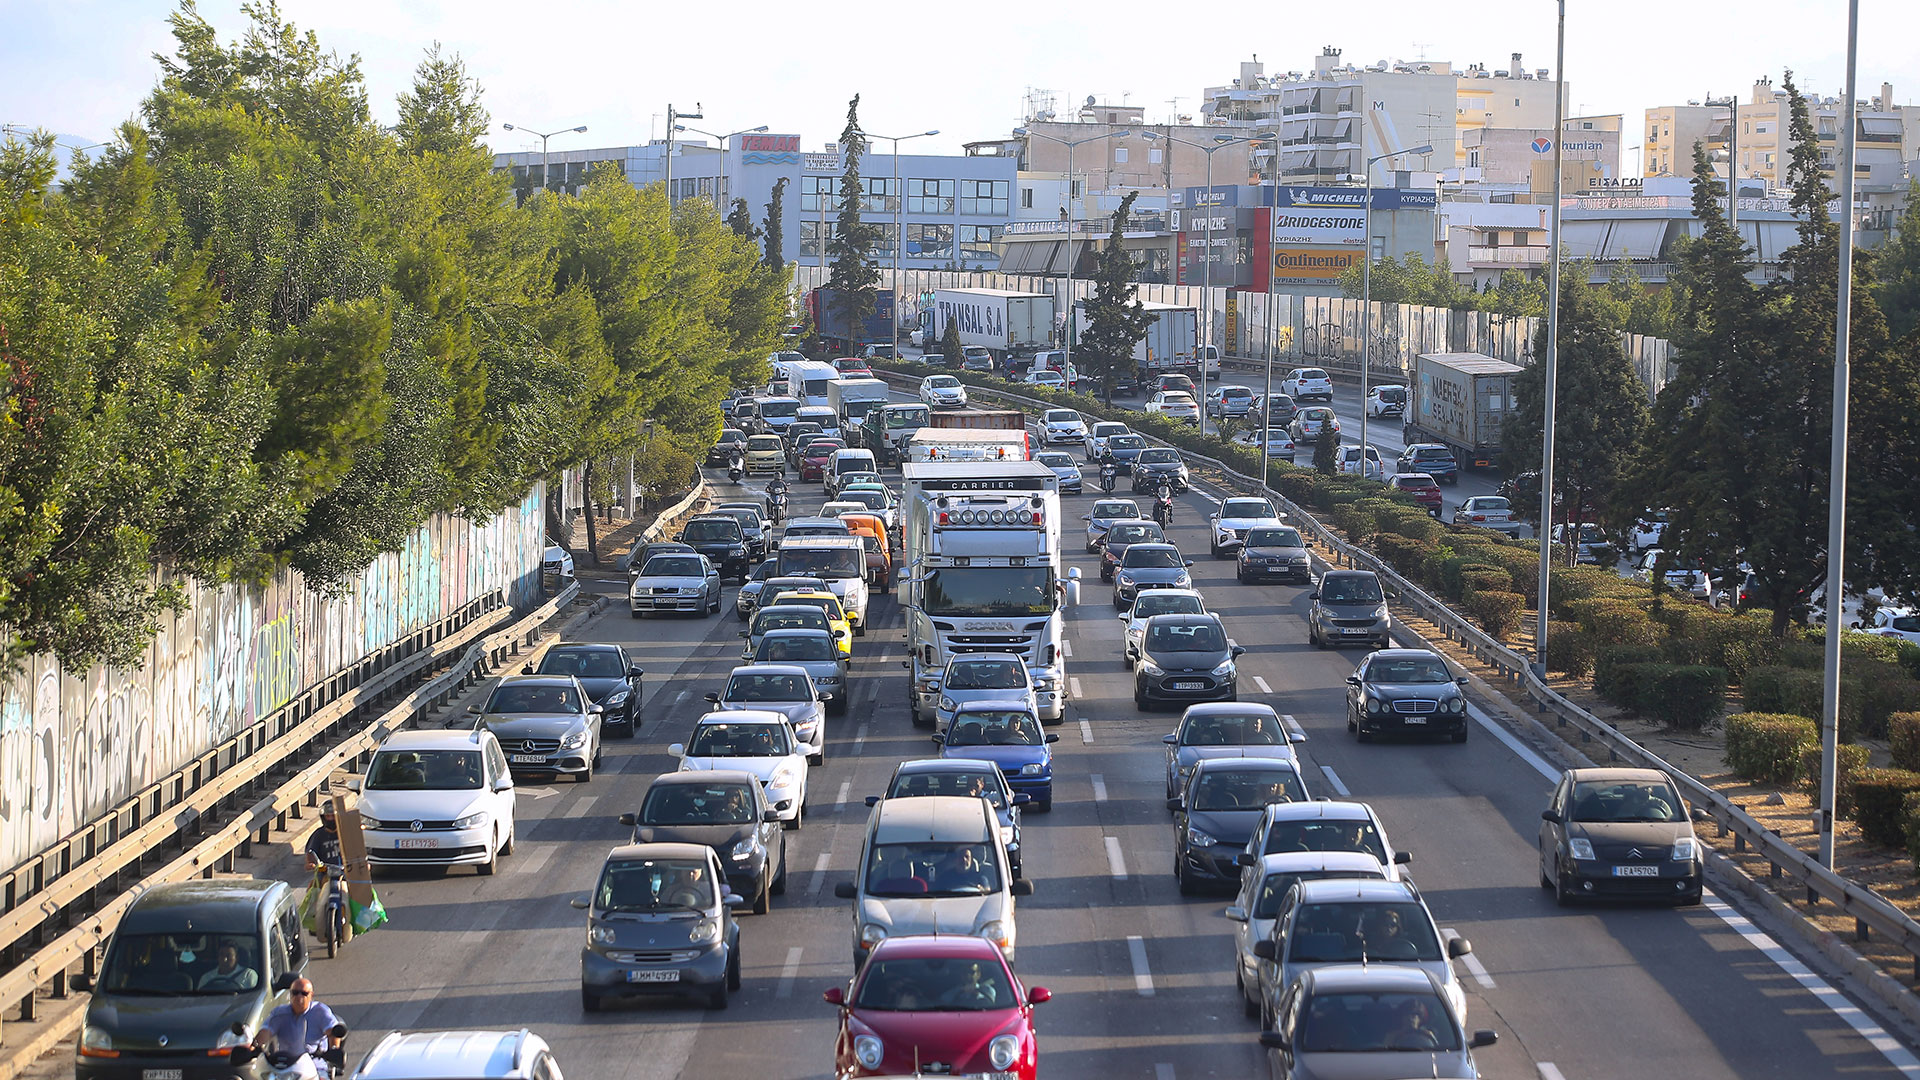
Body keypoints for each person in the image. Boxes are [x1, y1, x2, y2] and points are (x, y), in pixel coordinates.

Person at [256, 977, 342, 1060]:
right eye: (295, 992)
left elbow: (332, 1032)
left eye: (304, 993)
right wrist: (254, 1048)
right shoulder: (279, 1013)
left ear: (311, 995)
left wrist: (334, 1051)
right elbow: (266, 1031)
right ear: (290, 994)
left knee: (322, 1071)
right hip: (286, 1063)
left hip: (315, 1063)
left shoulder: (321, 1012)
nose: (299, 996)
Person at [305, 805, 343, 873]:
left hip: (346, 871)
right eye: (328, 816)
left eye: (333, 816)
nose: (331, 819)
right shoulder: (318, 834)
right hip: (325, 871)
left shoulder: (346, 832)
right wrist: (311, 864)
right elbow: (311, 852)